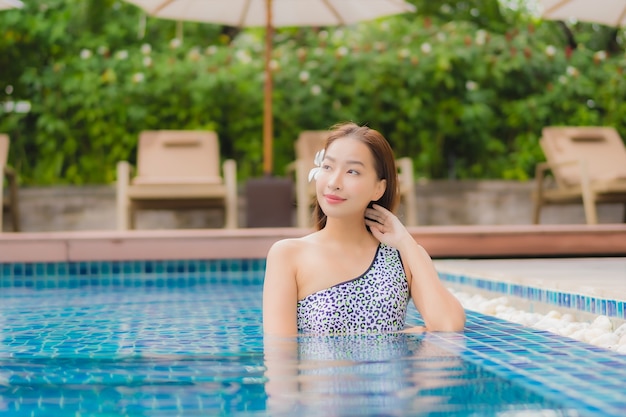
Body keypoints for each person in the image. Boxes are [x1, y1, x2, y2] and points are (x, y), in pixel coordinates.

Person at [263, 122, 466, 337]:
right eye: (328, 167)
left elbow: (448, 326)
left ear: (379, 188)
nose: (333, 182)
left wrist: (406, 242)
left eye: (352, 171)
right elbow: (280, 354)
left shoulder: (402, 256)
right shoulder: (288, 254)